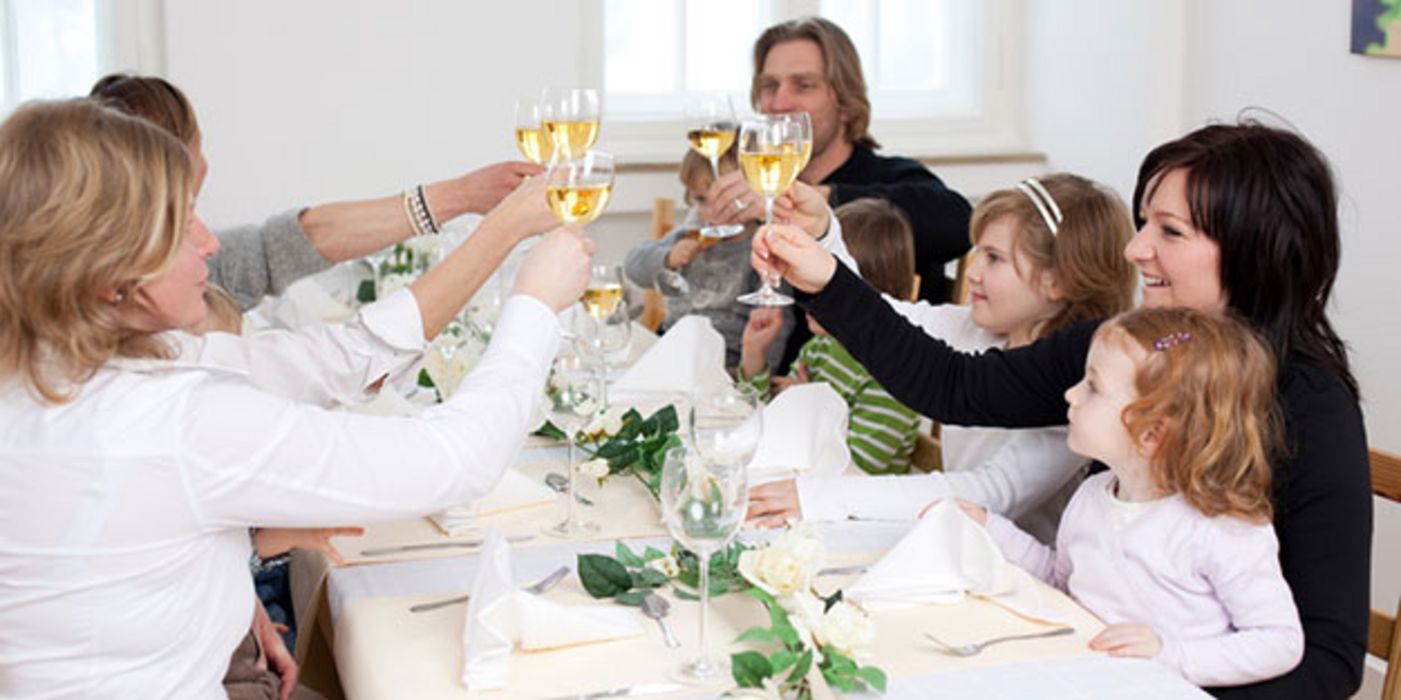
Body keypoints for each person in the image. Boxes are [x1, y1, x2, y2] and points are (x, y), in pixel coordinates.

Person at [753, 120, 1371, 698]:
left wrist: (1158, 678)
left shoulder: (1311, 407)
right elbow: (953, 385)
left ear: (1253, 250)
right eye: (1142, 223)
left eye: (1170, 231)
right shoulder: (1128, 345)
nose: (1135, 250)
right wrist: (824, 278)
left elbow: (1329, 663)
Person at [0, 98, 593, 698]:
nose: (209, 244)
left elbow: (343, 357)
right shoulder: (176, 422)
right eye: (182, 226)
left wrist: (502, 229)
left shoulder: (58, 369)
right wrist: (536, 306)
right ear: (110, 275)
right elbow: (457, 461)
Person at [748, 174, 1137, 542]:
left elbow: (991, 492)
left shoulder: (1079, 386)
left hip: (1015, 575)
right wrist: (823, 236)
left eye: (994, 258)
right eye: (977, 254)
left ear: (1059, 279)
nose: (973, 274)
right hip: (946, 539)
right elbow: (880, 316)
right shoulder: (972, 328)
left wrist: (825, 497)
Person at [964, 307, 1304, 686]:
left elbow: (1281, 641)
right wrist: (989, 527)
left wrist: (1168, 653)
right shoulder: (1093, 495)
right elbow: (1062, 581)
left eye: (1092, 386)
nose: (1070, 394)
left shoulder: (1222, 528)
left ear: (1151, 434)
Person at [91, 73, 542, 310]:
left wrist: (462, 195)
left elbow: (272, 249)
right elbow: (349, 359)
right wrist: (500, 228)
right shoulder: (166, 318)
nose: (208, 244)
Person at [702, 17, 973, 370]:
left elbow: (958, 222)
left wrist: (821, 199)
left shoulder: (891, 176)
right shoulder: (760, 187)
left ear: (844, 100)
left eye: (803, 85)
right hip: (767, 385)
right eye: (769, 85)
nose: (779, 102)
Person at [738, 198, 922, 475]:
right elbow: (771, 421)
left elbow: (859, 467)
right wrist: (753, 353)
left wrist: (808, 405)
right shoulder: (821, 347)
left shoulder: (893, 373)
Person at [623, 146, 777, 367]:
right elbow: (633, 266)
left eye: (727, 199)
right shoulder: (690, 234)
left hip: (725, 362)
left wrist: (754, 378)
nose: (715, 210)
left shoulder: (762, 251)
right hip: (670, 347)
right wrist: (667, 258)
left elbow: (773, 327)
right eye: (702, 200)